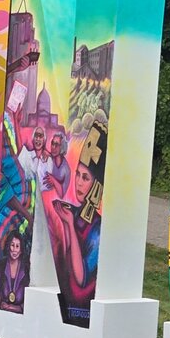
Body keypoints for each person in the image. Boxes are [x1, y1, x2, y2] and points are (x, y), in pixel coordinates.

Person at [52, 121, 106, 324]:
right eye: (77, 175)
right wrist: (66, 223)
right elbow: (64, 264)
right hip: (68, 303)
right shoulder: (72, 213)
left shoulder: (97, 227)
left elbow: (80, 276)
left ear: (96, 185)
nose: (79, 183)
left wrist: (70, 226)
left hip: (85, 309)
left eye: (85, 178)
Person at [0, 229, 29, 313]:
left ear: (21, 249)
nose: (14, 249)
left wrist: (13, 308)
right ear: (8, 246)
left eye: (17, 246)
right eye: (12, 245)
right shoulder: (0, 266)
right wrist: (2, 305)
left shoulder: (26, 268)